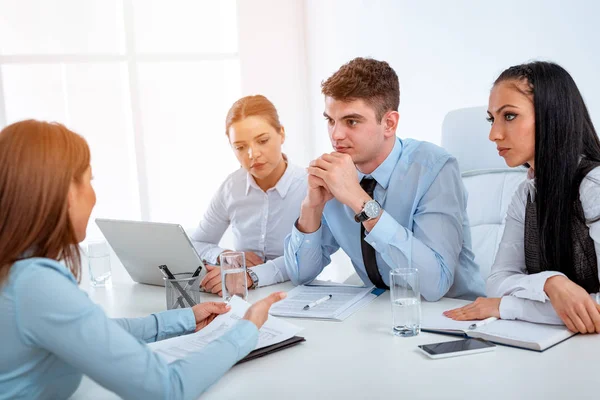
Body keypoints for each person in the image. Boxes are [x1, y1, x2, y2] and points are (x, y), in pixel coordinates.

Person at [0, 120, 286, 400]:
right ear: (65, 193)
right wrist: (246, 330)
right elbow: (167, 387)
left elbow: (98, 330)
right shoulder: (36, 285)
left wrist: (185, 318)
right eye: (90, 181)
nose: (94, 195)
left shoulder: (17, 271)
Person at [284, 57, 484, 301]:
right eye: (330, 120)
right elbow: (300, 275)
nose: (335, 135)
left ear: (389, 123)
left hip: (448, 317)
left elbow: (435, 285)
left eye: (352, 121)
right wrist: (311, 208)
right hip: (380, 312)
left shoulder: (435, 169)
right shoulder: (336, 174)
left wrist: (360, 201)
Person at [444, 61, 600, 334]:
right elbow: (498, 280)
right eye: (492, 119)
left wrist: (507, 307)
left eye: (510, 116)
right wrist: (550, 283)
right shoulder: (526, 193)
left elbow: (594, 312)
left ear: (553, 116)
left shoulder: (594, 186)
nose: (494, 134)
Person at [191, 95, 306, 295]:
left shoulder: (309, 187)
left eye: (262, 141)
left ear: (282, 134)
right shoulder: (231, 187)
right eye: (240, 147)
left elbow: (304, 258)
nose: (253, 154)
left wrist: (250, 275)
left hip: (298, 295)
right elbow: (197, 243)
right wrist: (226, 256)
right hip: (243, 297)